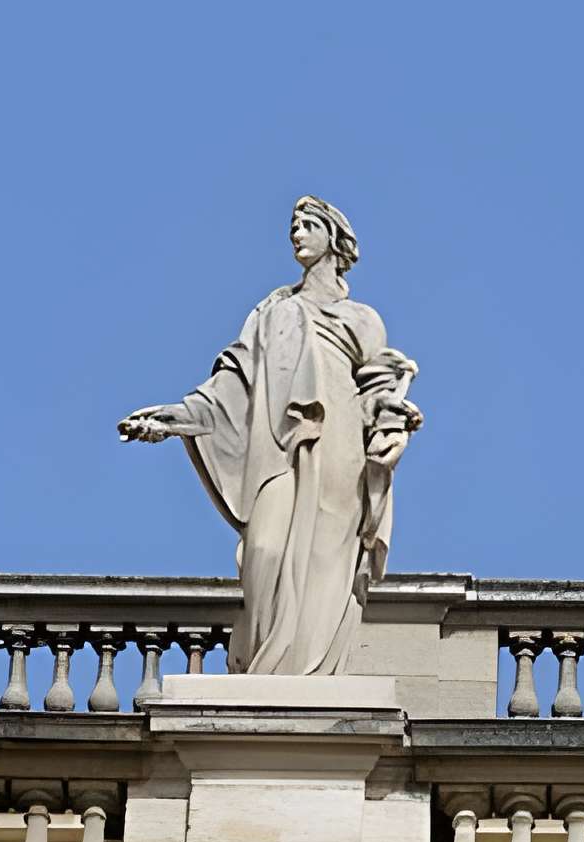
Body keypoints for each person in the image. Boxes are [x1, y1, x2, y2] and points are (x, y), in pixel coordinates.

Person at [121, 197, 421, 677]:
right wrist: (176, 418)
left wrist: (391, 429)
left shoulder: (362, 318)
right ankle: (268, 673)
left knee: (326, 564)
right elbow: (233, 384)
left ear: (333, 237)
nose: (297, 234)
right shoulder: (272, 311)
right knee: (265, 551)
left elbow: (378, 391)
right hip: (277, 454)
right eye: (293, 227)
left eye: (307, 225)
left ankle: (310, 676)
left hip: (338, 451)